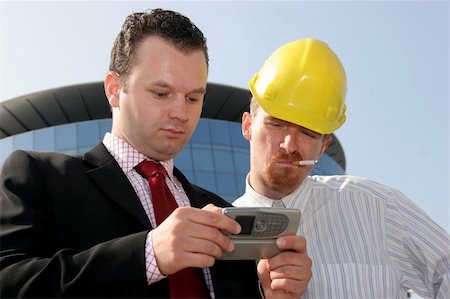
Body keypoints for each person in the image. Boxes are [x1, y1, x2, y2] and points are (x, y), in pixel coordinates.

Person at [0, 9, 312, 298]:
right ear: (113, 89)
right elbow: (9, 283)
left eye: (193, 98)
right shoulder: (39, 175)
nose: (180, 112)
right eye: (161, 93)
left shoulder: (219, 211)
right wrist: (149, 255)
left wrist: (265, 292)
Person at [233, 38, 450, 298]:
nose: (290, 145)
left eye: (308, 133)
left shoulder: (380, 208)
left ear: (323, 146)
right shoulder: (219, 237)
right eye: (277, 124)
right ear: (248, 126)